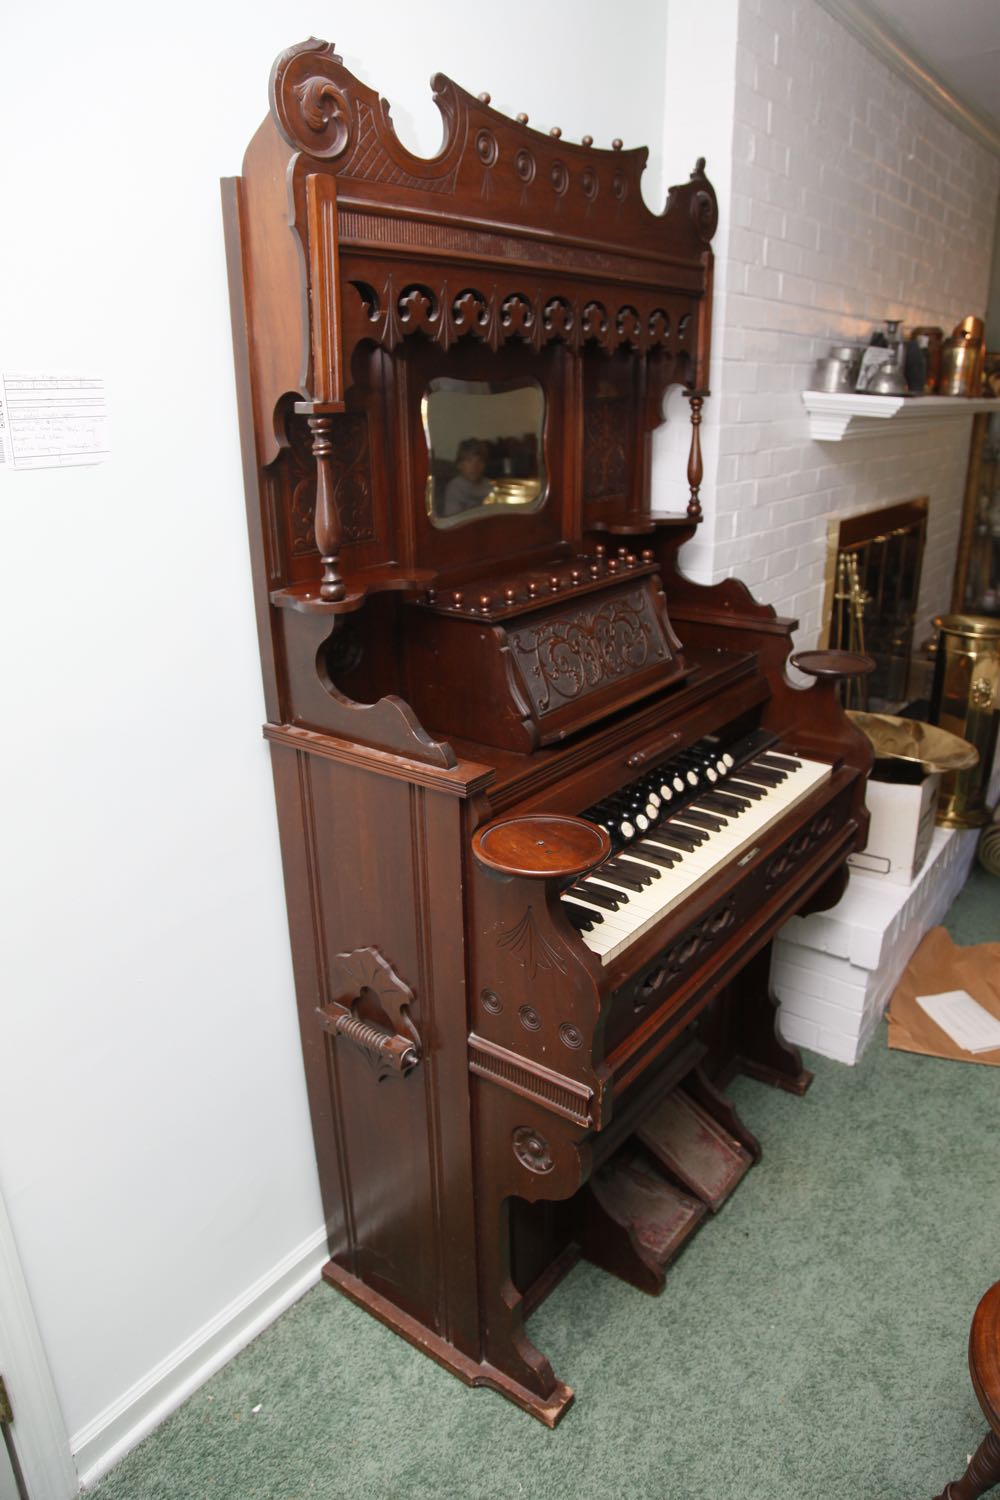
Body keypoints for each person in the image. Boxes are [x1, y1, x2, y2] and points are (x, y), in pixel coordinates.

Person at [440, 439, 494, 517]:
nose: (475, 466)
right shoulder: (454, 488)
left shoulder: (490, 485)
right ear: (459, 464)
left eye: (479, 461)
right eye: (469, 460)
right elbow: (453, 521)